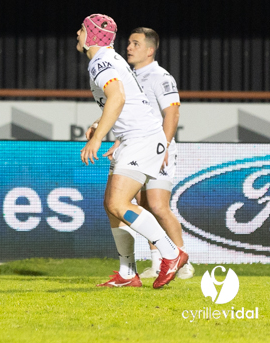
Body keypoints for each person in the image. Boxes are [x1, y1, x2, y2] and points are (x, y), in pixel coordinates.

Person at [77, 14, 188, 290]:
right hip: (134, 138)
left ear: (91, 35)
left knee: (119, 203)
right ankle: (128, 273)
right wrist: (98, 124)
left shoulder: (101, 61)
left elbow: (118, 97)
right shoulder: (111, 60)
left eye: (81, 29)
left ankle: (172, 254)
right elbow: (125, 103)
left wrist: (97, 138)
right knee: (112, 206)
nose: (77, 34)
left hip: (142, 139)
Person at [124, 27, 193, 283]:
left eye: (135, 43)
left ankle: (182, 261)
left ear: (150, 50)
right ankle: (157, 264)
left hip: (158, 150)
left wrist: (162, 146)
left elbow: (172, 113)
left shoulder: (160, 76)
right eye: (129, 43)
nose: (129, 47)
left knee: (158, 206)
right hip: (139, 149)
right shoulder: (131, 76)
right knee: (142, 206)